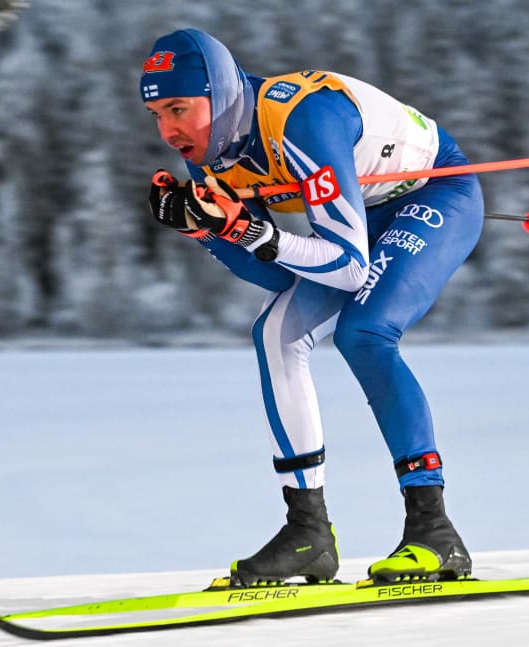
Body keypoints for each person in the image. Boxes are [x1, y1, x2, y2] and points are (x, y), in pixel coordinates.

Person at [141, 28, 483, 587]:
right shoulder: (213, 157)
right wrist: (204, 231)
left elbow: (347, 267)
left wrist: (246, 228)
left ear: (220, 93)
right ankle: (309, 534)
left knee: (365, 333)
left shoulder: (303, 120)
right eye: (156, 114)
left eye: (178, 108)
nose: (168, 129)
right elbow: (275, 273)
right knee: (276, 332)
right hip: (365, 214)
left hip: (434, 193)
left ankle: (434, 531)